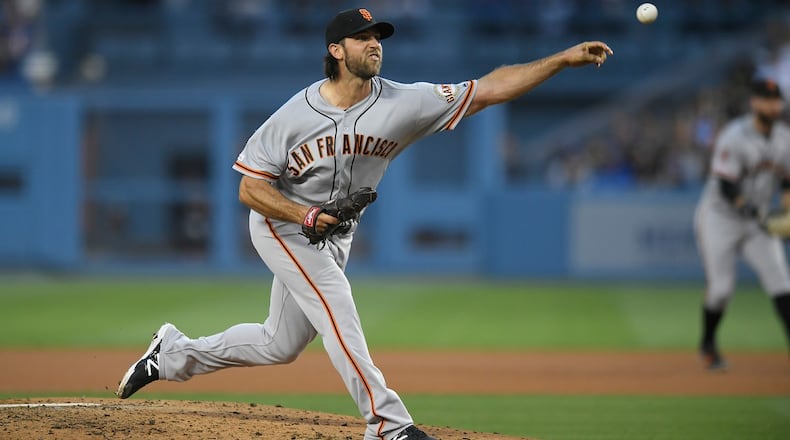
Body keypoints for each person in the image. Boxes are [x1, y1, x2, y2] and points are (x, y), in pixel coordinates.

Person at [116, 7, 613, 440]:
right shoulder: (293, 114)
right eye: (364, 38)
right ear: (336, 49)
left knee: (279, 344)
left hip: (333, 237)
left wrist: (559, 60)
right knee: (338, 308)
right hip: (283, 227)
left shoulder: (404, 102)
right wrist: (304, 214)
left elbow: (486, 90)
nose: (376, 44)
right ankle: (388, 425)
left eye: (379, 38)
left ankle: (171, 355)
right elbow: (249, 188)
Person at [694, 76, 790, 371]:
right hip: (719, 218)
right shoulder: (734, 136)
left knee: (782, 285)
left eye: (776, 100)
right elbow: (725, 186)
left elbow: (787, 181)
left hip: (758, 221)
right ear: (754, 103)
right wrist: (751, 212)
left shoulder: (785, 138)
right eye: (766, 99)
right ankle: (708, 343)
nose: (772, 105)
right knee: (721, 290)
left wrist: (787, 213)